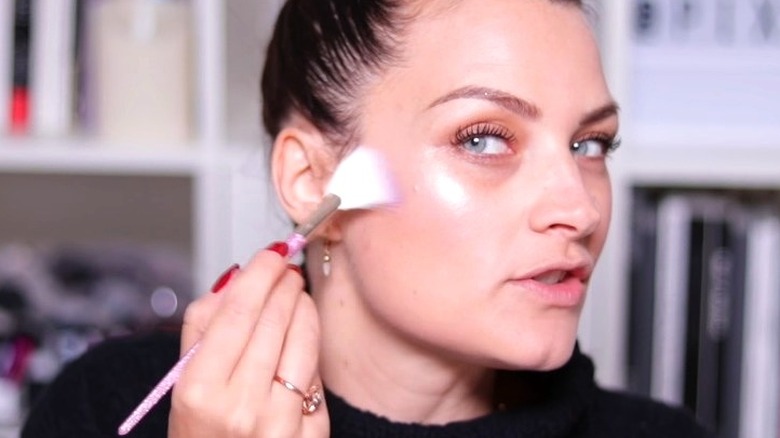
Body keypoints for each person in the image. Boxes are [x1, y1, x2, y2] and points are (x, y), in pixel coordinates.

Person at [22, 0, 715, 436]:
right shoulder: (107, 406)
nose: (580, 207)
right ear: (311, 180)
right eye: (483, 138)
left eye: (590, 144)